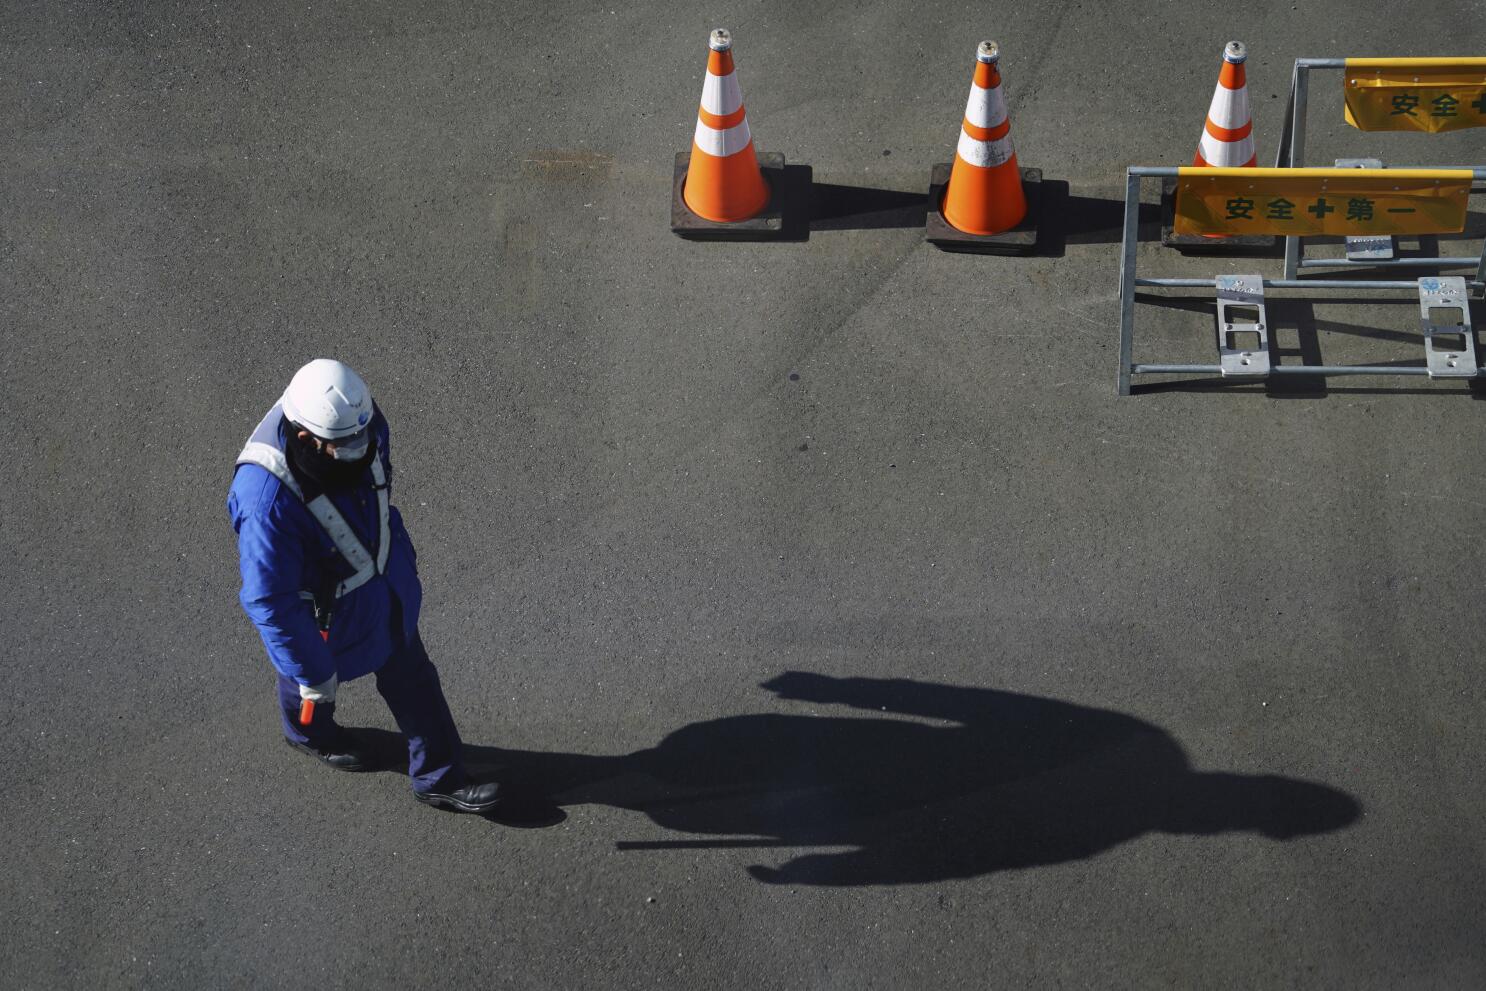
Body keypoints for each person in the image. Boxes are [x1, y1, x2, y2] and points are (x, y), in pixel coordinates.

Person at [227, 358, 500, 814]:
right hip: (326, 619)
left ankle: (440, 777)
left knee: (412, 672)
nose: (361, 450)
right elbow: (271, 601)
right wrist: (312, 672)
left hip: (383, 592)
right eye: (346, 446)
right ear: (304, 440)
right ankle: (309, 732)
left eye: (363, 437)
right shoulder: (265, 504)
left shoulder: (362, 422)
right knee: (308, 684)